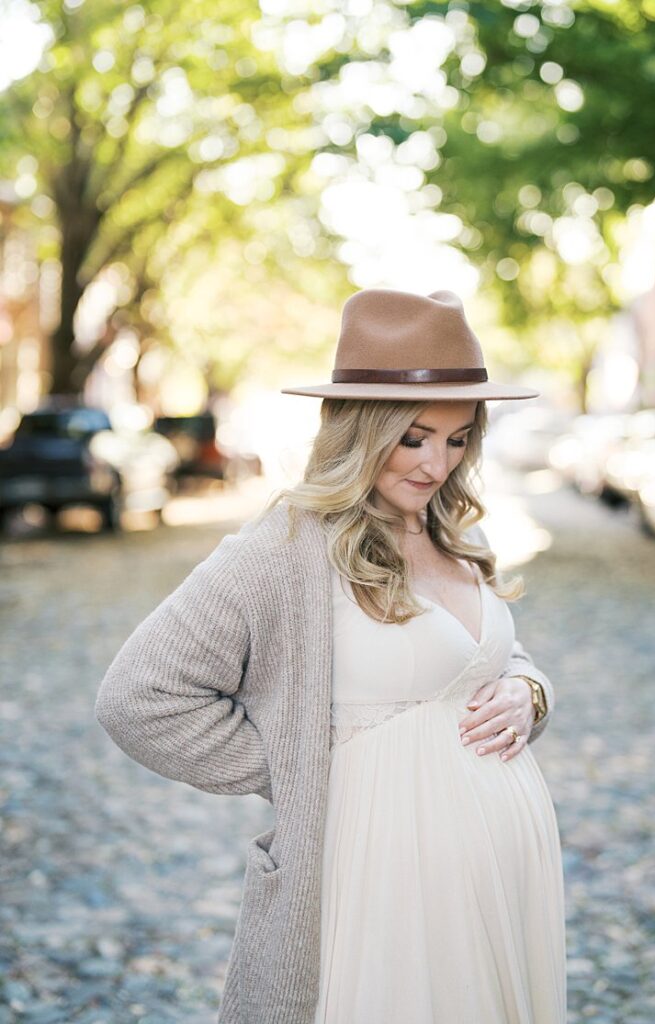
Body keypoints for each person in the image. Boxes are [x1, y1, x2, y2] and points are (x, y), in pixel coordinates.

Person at [94, 287, 566, 1024]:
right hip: (380, 885)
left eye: (457, 436)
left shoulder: (447, 530)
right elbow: (139, 696)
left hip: (498, 883)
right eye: (413, 437)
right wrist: (304, 764)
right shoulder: (287, 546)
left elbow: (482, 660)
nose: (438, 463)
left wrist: (529, 692)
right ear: (360, 428)